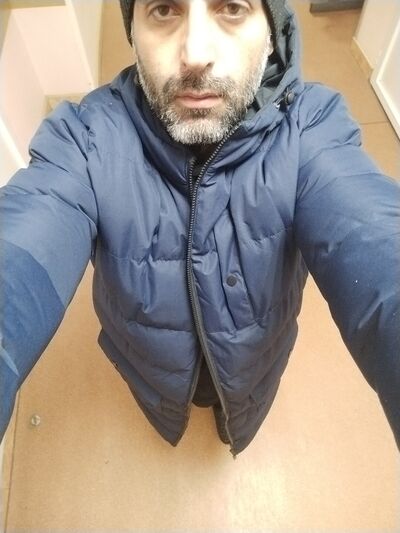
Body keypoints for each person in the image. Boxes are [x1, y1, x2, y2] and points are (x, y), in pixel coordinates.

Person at [0, 0, 399, 458]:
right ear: (134, 32)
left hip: (255, 368)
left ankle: (232, 423)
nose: (194, 53)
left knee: (235, 411)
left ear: (272, 31)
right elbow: (26, 238)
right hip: (152, 371)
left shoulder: (311, 127)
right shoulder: (87, 139)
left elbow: (373, 239)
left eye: (232, 8)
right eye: (163, 10)